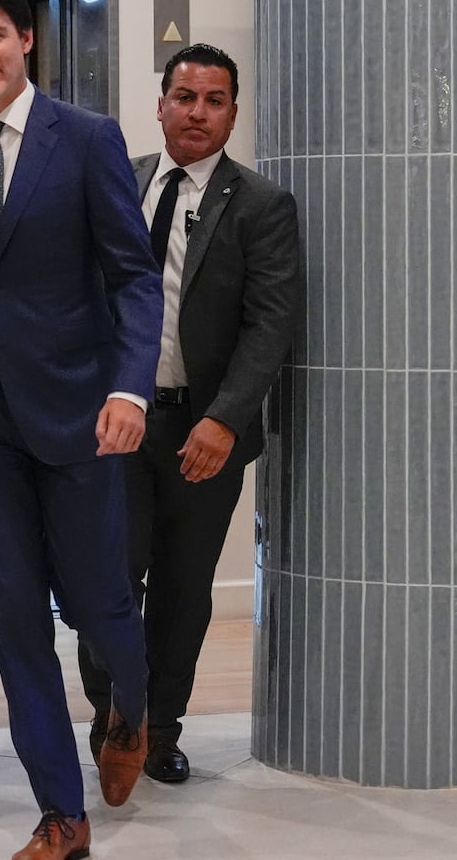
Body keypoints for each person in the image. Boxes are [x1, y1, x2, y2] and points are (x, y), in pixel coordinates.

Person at [0, 0, 163, 860]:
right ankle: (61, 811)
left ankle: (129, 705)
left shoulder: (87, 140)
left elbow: (134, 277)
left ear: (26, 41)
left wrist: (131, 390)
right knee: (12, 618)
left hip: (80, 414)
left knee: (101, 603)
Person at [77, 43, 300, 783]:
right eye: (185, 96)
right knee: (106, 576)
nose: (197, 112)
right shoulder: (121, 180)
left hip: (201, 432)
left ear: (233, 110)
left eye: (214, 99)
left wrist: (227, 418)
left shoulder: (263, 205)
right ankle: (117, 713)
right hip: (116, 421)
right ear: (162, 102)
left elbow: (271, 324)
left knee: (181, 588)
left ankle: (160, 726)